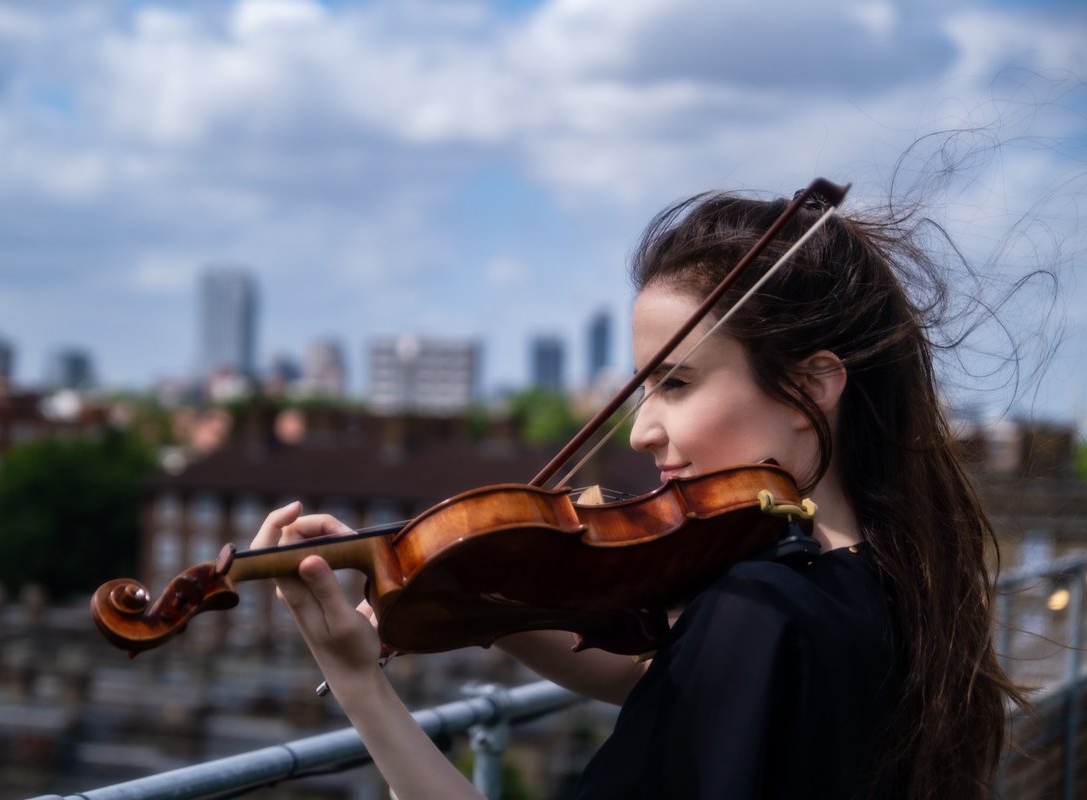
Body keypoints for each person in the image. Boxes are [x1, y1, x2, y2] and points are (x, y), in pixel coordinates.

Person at [249, 188, 1024, 799]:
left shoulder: (758, 606)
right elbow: (667, 688)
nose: (643, 430)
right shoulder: (884, 580)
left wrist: (358, 684)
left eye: (677, 383)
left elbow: (708, 673)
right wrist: (483, 591)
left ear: (811, 387)